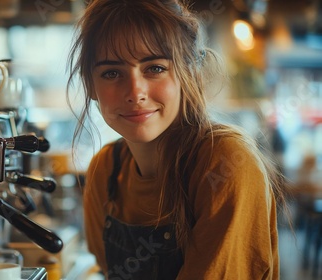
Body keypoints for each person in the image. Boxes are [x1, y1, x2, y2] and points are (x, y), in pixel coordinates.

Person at [66, 0, 290, 279]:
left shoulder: (225, 163)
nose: (136, 92)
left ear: (189, 74)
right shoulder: (106, 169)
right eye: (112, 73)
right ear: (91, 86)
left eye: (155, 68)